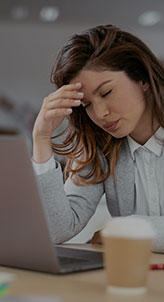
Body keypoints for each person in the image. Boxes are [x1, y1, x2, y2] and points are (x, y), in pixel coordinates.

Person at [32, 24, 164, 252]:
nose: (100, 113)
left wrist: (126, 229)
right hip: (129, 278)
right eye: (87, 104)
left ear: (142, 79)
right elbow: (56, 230)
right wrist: (41, 138)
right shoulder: (100, 147)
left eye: (106, 93)